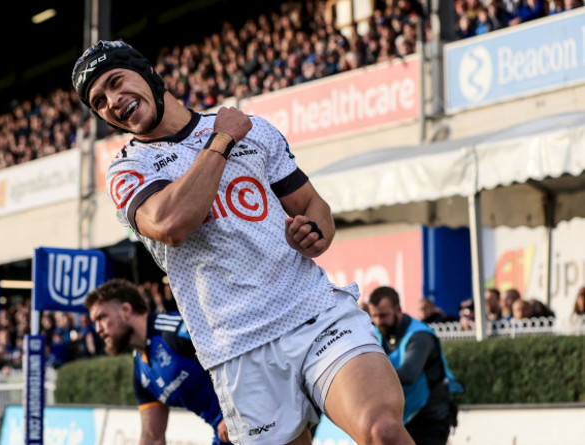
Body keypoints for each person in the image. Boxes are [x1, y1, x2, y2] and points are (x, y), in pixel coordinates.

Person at [72, 40, 414, 445]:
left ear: (147, 73)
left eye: (116, 82)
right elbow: (171, 223)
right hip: (238, 351)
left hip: (313, 312)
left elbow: (312, 205)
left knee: (383, 430)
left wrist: (313, 235)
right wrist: (221, 141)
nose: (112, 100)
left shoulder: (255, 130)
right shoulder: (128, 170)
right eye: (99, 101)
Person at [85, 278, 232, 445]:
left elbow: (239, 357)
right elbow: (152, 438)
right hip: (226, 435)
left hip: (253, 416)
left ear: (126, 310)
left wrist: (234, 412)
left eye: (101, 317)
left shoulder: (176, 330)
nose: (98, 329)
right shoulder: (141, 374)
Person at [366, 286, 464, 445]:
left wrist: (367, 376)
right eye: (374, 316)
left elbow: (408, 374)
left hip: (430, 418)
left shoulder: (419, 335)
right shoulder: (377, 333)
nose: (378, 322)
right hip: (403, 417)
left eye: (383, 315)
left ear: (398, 310)